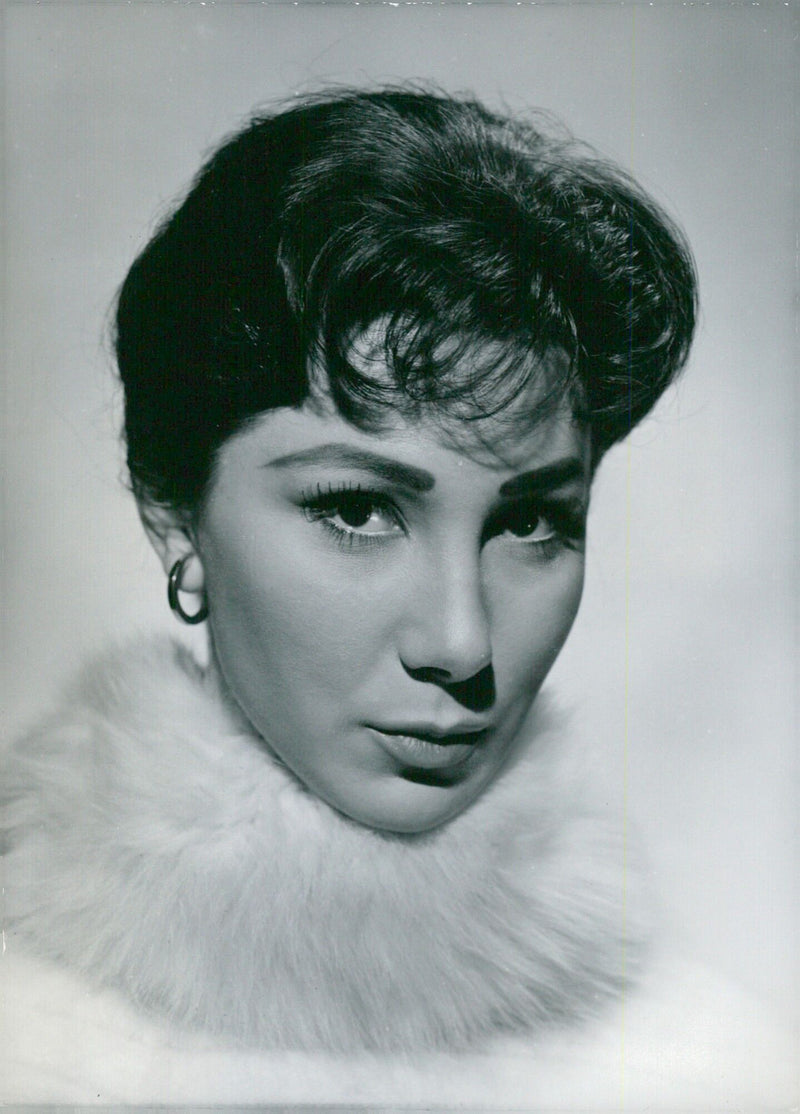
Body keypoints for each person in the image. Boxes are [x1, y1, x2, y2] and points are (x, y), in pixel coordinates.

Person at [1, 88, 792, 1106]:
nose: (461, 644)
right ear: (175, 515)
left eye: (529, 523)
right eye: (358, 509)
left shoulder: (714, 1073)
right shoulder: (23, 1047)